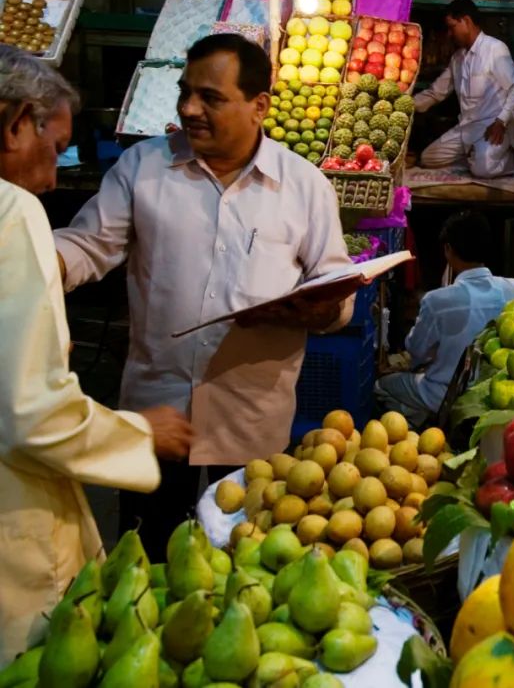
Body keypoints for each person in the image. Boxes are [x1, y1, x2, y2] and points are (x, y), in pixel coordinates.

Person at [54, 34, 356, 562]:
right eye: (185, 93)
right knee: (143, 563)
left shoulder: (305, 187)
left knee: (248, 572)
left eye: (210, 98)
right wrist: (32, 261)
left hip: (251, 425)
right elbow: (87, 245)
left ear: (258, 105)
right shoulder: (142, 169)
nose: (190, 109)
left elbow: (335, 284)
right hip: (157, 415)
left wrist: (323, 308)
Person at [0, 46, 192, 661]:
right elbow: (33, 411)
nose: (55, 178)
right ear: (13, 123)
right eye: (54, 148)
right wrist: (138, 433)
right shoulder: (13, 214)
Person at [375, 211, 514, 426]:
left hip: (443, 394)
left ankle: (422, 424)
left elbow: (416, 350)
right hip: (495, 394)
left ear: (448, 250)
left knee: (381, 386)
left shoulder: (437, 301)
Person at [413, 0, 514, 178]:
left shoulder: (494, 49)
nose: (450, 34)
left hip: (492, 128)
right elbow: (436, 92)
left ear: (466, 21)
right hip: (466, 129)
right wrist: (406, 104)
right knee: (428, 158)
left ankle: (499, 160)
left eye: (452, 27)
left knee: (484, 169)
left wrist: (501, 121)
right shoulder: (457, 58)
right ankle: (473, 158)